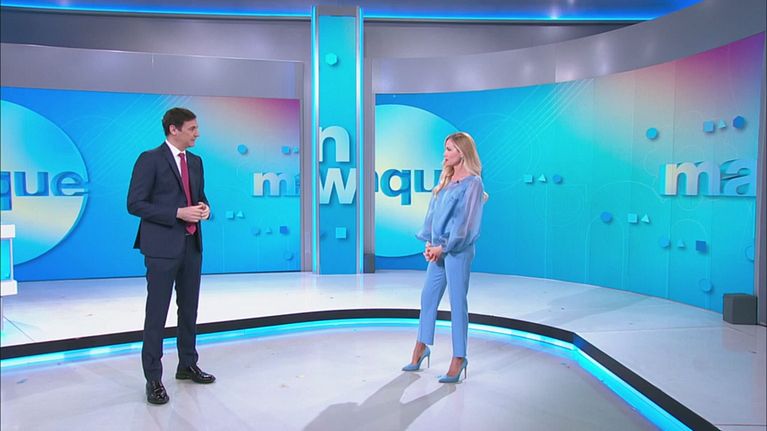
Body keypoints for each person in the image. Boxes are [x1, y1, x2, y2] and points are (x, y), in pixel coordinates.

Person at [127, 107, 215, 405]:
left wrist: (205, 208)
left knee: (189, 309)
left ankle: (187, 364)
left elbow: (199, 196)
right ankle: (153, 377)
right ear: (173, 129)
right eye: (192, 128)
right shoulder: (150, 159)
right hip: (161, 248)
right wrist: (177, 213)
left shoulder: (196, 161)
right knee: (157, 313)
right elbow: (135, 204)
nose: (197, 133)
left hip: (192, 245)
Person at [402, 131, 487, 383]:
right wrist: (429, 243)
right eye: (445, 149)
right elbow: (432, 215)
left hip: (458, 251)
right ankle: (421, 347)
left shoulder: (473, 183)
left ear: (462, 152)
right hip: (437, 249)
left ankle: (459, 358)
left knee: (457, 302)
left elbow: (466, 223)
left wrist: (445, 246)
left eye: (449, 149)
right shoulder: (446, 179)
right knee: (428, 297)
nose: (445, 154)